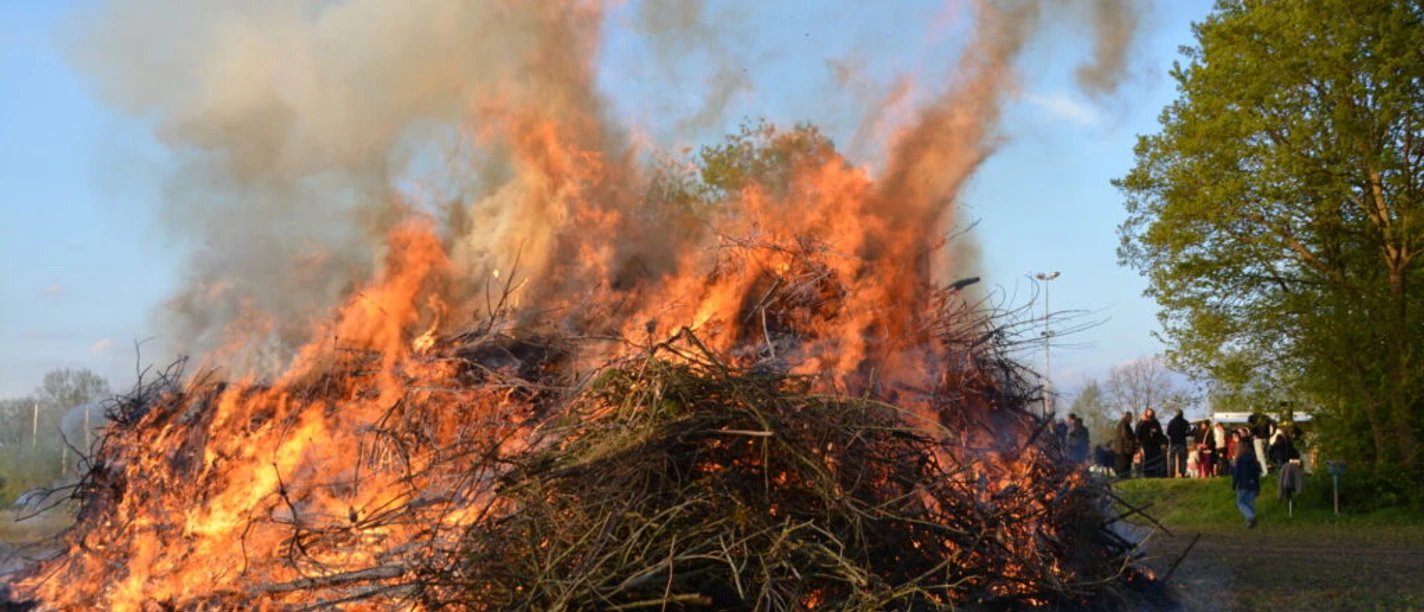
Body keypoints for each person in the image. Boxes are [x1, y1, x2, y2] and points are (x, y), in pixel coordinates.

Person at [1232, 442, 1263, 528]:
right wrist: (1258, 487)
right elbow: (1257, 474)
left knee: (1241, 503)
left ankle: (1251, 517)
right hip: (1253, 484)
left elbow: (1236, 474)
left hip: (1243, 484)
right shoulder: (1253, 460)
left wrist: (1234, 484)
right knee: (1250, 503)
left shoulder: (1239, 460)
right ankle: (1250, 522)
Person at [1136, 409, 1167, 477]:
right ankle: (1147, 474)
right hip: (1145, 445)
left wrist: (1162, 442)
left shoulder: (1156, 422)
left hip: (1155, 445)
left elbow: (1160, 433)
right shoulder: (1142, 423)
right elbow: (1137, 435)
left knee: (1155, 460)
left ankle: (1154, 474)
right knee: (1146, 461)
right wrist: (1139, 446)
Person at [1166, 409, 1190, 478]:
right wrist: (1184, 435)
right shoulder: (1185, 422)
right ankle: (1182, 473)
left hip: (1173, 443)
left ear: (1175, 414)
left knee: (1172, 458)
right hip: (1182, 443)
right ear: (1182, 414)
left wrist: (1173, 435)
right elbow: (1188, 432)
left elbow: (1168, 432)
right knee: (1183, 459)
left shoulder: (1171, 422)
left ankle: (1172, 473)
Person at [1115, 411, 1137, 478]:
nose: (1131, 419)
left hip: (1122, 450)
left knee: (1124, 469)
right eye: (1131, 418)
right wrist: (1130, 444)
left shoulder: (1122, 424)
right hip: (1124, 450)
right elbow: (1125, 436)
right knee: (1125, 469)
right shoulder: (1124, 424)